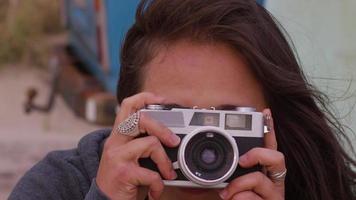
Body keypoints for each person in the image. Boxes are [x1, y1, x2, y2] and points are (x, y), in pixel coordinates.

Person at [9, 0, 356, 199]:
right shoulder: (60, 186)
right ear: (128, 115)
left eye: (231, 120)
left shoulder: (310, 184)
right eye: (173, 117)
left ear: (271, 123)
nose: (204, 146)